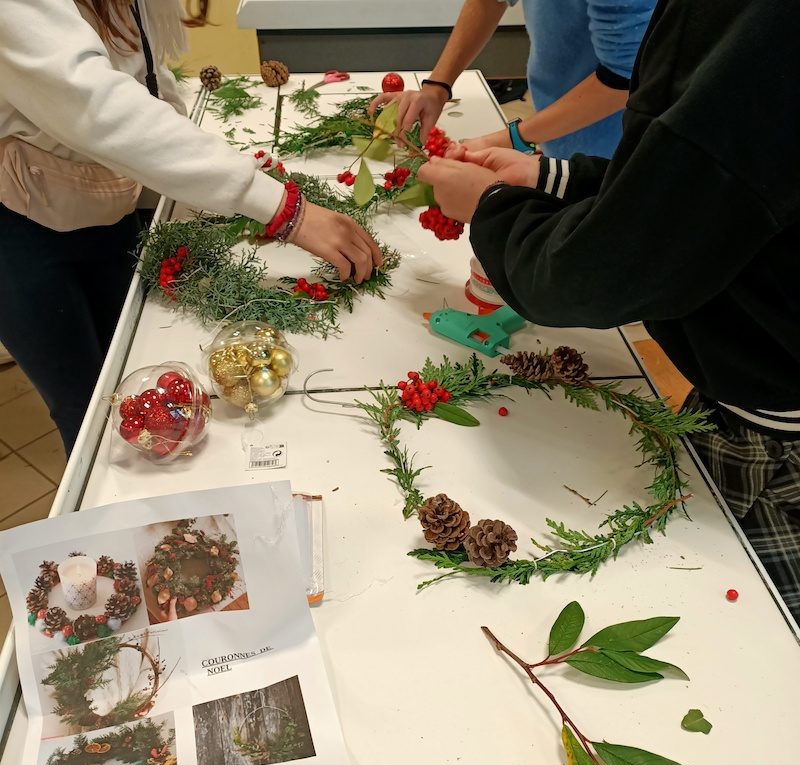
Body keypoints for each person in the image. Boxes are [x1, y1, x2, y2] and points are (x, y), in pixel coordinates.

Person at [417, 0, 800, 621]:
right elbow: (685, 188)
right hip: (738, 382)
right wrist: (550, 177)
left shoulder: (766, 35)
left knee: (738, 618)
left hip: (774, 430)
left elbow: (600, 273)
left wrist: (490, 207)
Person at [0, 0, 382, 455]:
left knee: (130, 367)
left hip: (103, 197)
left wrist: (206, 171)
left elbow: (139, 74)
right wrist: (278, 207)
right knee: (87, 411)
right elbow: (89, 101)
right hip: (18, 222)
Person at [369, 0, 656, 159]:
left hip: (623, 156)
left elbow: (626, 77)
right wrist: (437, 87)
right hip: (562, 136)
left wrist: (515, 139)